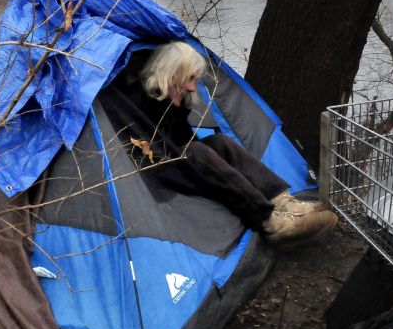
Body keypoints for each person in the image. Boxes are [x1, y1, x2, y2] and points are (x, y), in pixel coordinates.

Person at [98, 40, 337, 252]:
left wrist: (177, 106)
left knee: (221, 142)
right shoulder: (132, 103)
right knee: (196, 153)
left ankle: (283, 202)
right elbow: (148, 154)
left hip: (177, 161)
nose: (192, 87)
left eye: (195, 79)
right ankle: (271, 222)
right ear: (168, 73)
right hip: (150, 177)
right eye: (189, 79)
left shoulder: (175, 99)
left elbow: (182, 139)